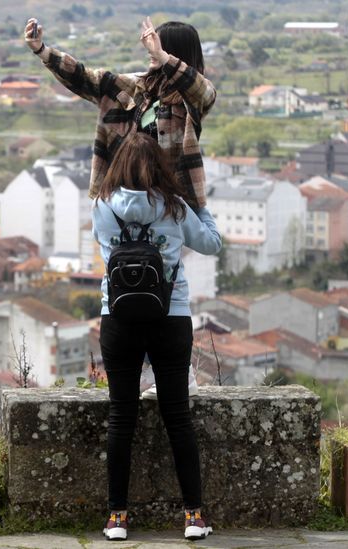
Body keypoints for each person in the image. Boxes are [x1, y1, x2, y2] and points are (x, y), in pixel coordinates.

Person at [25, 15, 215, 397]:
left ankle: (170, 370)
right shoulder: (130, 89)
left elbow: (204, 92)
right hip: (121, 201)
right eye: (150, 46)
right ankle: (148, 370)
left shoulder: (188, 102)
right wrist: (42, 51)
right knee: (125, 269)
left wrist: (164, 60)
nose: (148, 53)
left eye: (157, 46)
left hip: (164, 203)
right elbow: (84, 77)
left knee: (166, 276)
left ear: (175, 52)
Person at [91, 132, 222, 541]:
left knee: (121, 416)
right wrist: (200, 205)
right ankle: (194, 517)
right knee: (177, 416)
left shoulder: (102, 207)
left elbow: (105, 254)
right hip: (171, 314)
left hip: (118, 316)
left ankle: (117, 518)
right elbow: (212, 244)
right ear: (158, 168)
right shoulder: (175, 207)